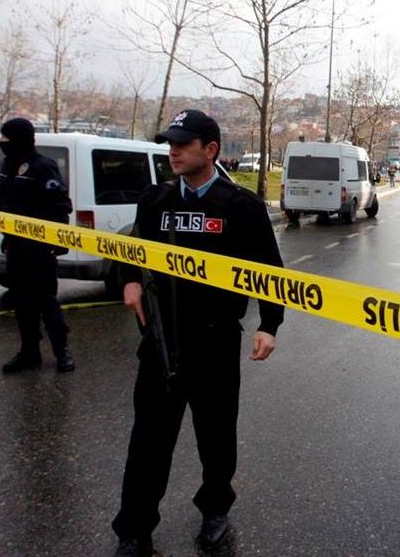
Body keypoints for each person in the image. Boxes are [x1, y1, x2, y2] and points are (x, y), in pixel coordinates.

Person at [112, 109, 285, 556]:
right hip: (160, 343)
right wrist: (129, 279)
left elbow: (269, 270)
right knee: (148, 442)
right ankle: (134, 530)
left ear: (210, 150)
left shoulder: (240, 207)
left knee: (216, 438)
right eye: (170, 142)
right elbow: (131, 251)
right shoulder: (155, 201)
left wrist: (269, 325)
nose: (173, 151)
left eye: (183, 144)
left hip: (214, 344)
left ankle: (215, 510)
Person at [0, 118, 75, 374]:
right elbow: (6, 208)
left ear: (20, 138)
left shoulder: (43, 167)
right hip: (16, 250)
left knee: (46, 303)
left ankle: (61, 352)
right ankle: (29, 352)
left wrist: (55, 243)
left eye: (7, 138)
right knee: (22, 305)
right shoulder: (7, 166)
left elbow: (61, 206)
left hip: (40, 251)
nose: (2, 142)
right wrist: (7, 239)